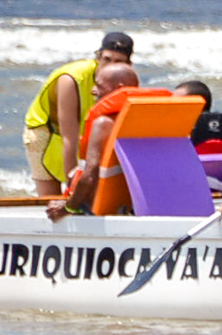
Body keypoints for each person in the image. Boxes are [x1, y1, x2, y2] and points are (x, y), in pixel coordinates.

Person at [24, 31, 134, 195]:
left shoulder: (124, 80)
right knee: (52, 196)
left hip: (82, 130)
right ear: (98, 57)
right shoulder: (71, 79)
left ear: (128, 64)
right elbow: (70, 136)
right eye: (106, 59)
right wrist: (72, 183)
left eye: (118, 61)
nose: (110, 66)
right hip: (45, 130)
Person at [44, 64, 159, 220]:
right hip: (126, 205)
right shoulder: (143, 119)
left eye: (99, 85)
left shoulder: (103, 123)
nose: (93, 90)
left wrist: (68, 207)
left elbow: (90, 175)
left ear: (119, 88)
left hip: (94, 208)